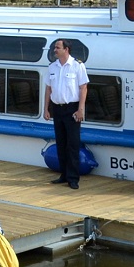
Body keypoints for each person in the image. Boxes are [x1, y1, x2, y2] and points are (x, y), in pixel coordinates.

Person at [43, 38, 89, 190]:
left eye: (57, 47)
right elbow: (48, 89)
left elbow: (83, 88)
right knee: (61, 143)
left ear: (66, 49)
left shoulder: (77, 66)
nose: (55, 50)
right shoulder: (52, 67)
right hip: (58, 108)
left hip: (72, 109)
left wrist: (80, 109)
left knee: (73, 144)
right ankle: (63, 174)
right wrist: (46, 109)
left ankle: (73, 178)